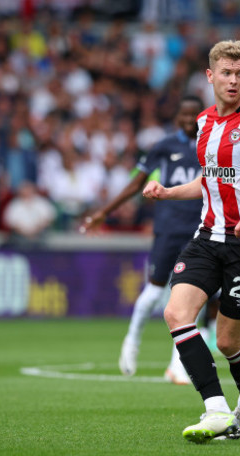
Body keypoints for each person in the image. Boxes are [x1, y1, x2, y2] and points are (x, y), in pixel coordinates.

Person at [142, 40, 240, 443]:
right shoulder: (205, 123)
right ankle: (215, 409)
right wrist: (168, 192)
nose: (233, 80)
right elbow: (209, 181)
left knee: (229, 340)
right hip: (207, 236)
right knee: (177, 314)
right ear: (210, 76)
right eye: (226, 73)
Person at [81, 95, 205, 385]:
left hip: (200, 231)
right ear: (177, 118)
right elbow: (136, 183)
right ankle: (132, 340)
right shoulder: (163, 147)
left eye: (194, 115)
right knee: (153, 293)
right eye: (184, 115)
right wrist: (103, 212)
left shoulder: (210, 147)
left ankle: (177, 365)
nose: (189, 120)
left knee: (188, 298)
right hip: (167, 230)